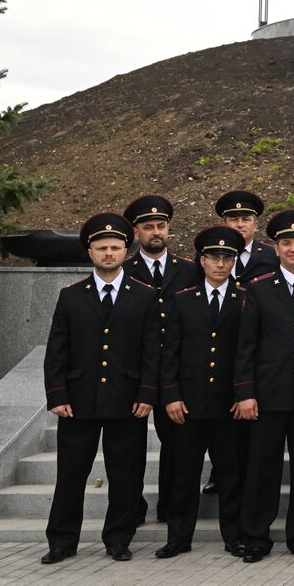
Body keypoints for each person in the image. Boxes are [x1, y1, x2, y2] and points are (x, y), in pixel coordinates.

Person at [41, 213, 160, 564]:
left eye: (115, 247)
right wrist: (57, 395)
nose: (109, 253)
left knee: (125, 475)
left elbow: (152, 350)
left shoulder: (145, 295)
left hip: (127, 400)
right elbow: (56, 351)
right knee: (70, 475)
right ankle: (62, 541)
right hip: (79, 402)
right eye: (101, 248)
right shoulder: (72, 296)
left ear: (127, 250)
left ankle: (119, 538)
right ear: (90, 252)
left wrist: (147, 393)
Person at [234, 209, 294, 562]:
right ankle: (256, 537)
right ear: (276, 248)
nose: (293, 248)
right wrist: (245, 392)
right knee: (263, 469)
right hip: (268, 396)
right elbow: (246, 346)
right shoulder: (258, 289)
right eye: (286, 242)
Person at [156, 226, 247, 559]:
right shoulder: (182, 299)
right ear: (202, 260)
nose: (220, 264)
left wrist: (243, 394)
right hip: (190, 403)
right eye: (213, 258)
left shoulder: (245, 298)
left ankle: (234, 536)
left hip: (228, 405)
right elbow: (170, 353)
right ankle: (179, 537)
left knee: (231, 474)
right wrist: (171, 395)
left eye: (227, 258)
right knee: (184, 474)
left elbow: (246, 352)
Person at [121, 194, 198, 523]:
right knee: (129, 448)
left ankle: (170, 507)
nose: (156, 232)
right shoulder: (124, 270)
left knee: (177, 443)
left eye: (161, 226)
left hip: (176, 372)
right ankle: (131, 508)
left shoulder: (190, 270)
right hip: (133, 370)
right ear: (136, 232)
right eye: (148, 227)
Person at [216, 190, 275, 285]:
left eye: (245, 219)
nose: (240, 224)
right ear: (224, 225)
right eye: (234, 220)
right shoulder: (210, 255)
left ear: (255, 225)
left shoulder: (272, 255)